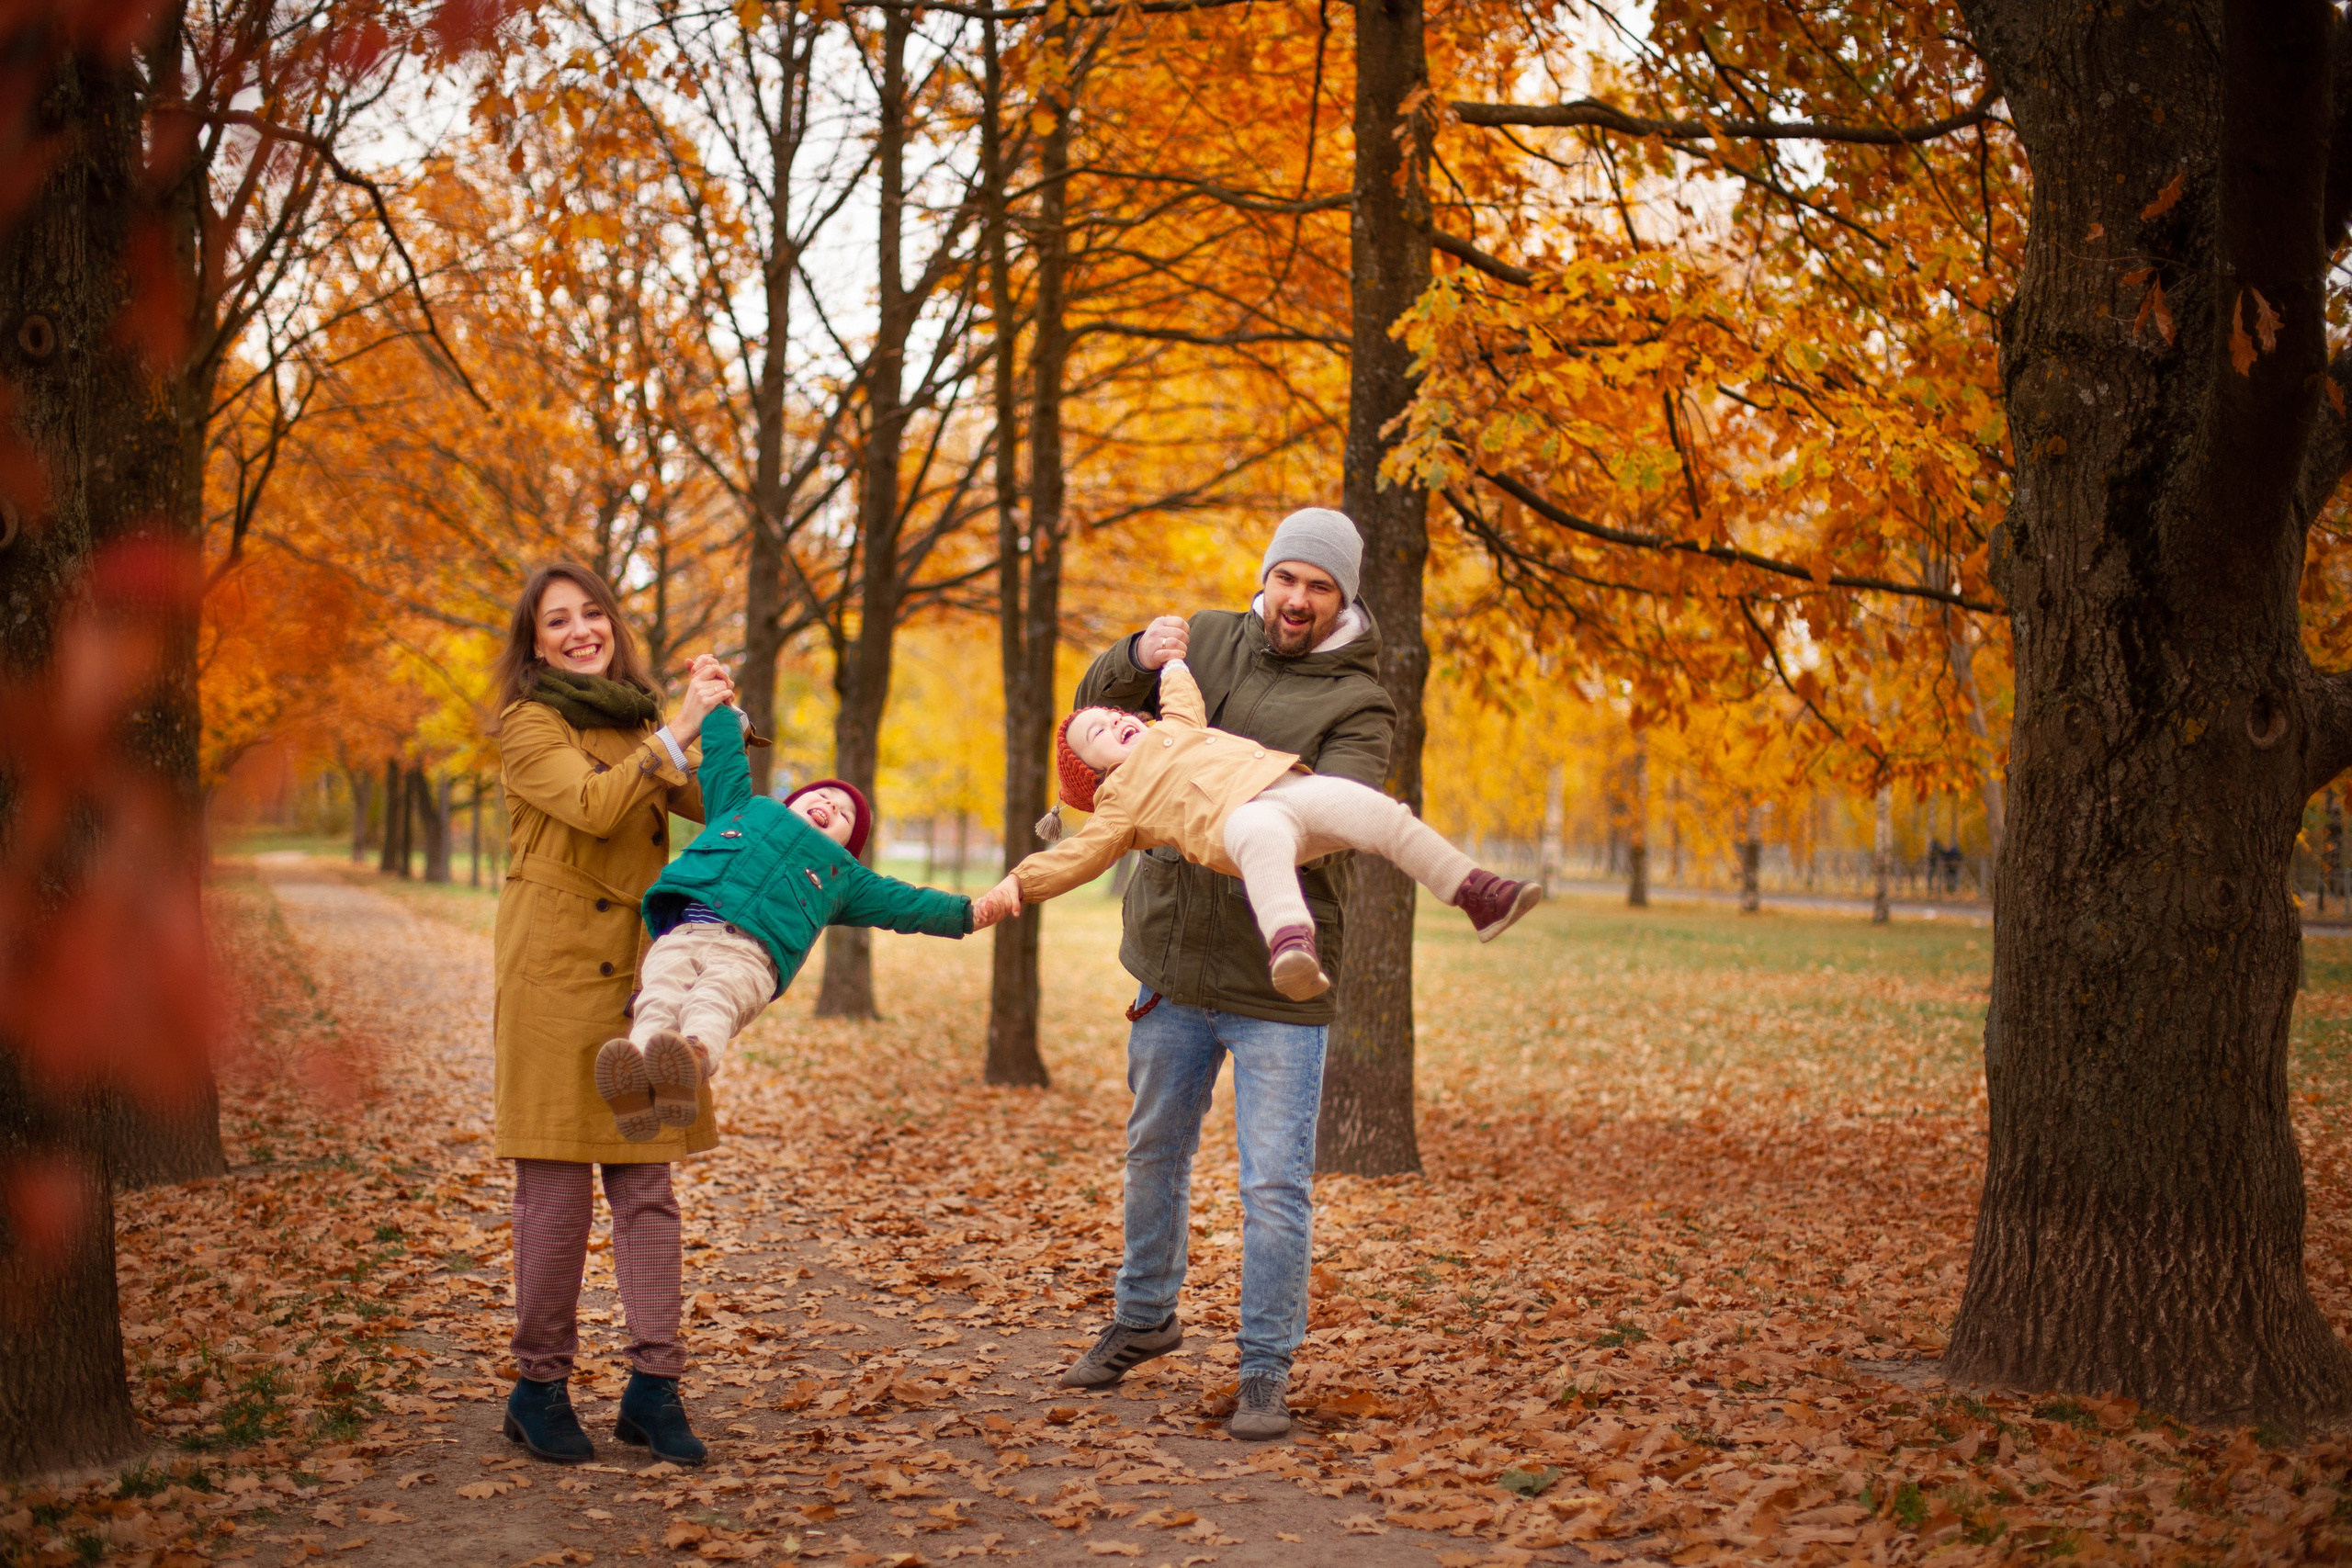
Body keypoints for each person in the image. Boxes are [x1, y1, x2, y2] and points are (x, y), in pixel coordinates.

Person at [1039, 508, 1395, 1440]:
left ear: (1343, 600)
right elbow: (1091, 719)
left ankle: (1265, 1366)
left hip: (1277, 978)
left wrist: (1225, 803)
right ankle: (1143, 1316)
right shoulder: (1204, 638)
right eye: (1287, 578)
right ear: (1265, 578)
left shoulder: (1360, 703)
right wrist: (1134, 654)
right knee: (1153, 1153)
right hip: (1170, 957)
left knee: (1274, 1186)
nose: (1297, 599)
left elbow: (1336, 817)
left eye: (1319, 587)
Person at [491, 560, 732, 1469]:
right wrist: (675, 731)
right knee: (555, 1197)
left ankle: (654, 1387)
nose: (581, 630)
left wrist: (719, 720)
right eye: (558, 620)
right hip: (552, 982)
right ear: (536, 641)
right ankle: (538, 1387)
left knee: (647, 1189)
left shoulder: (641, 724)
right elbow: (592, 806)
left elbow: (717, 804)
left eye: (593, 613)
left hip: (641, 981)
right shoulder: (529, 723)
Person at [974, 658, 1541, 998]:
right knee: (1260, 833)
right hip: (1237, 824)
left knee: (1379, 813)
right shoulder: (1119, 803)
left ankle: (1477, 893)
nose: (1117, 719)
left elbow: (1182, 699)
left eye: (1116, 713)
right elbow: (1077, 856)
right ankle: (1291, 947)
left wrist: (1172, 664)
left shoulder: (1176, 728)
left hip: (1290, 786)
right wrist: (1018, 884)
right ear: (1095, 773)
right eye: (1098, 731)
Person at [595, 705, 1002, 1139]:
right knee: (659, 996)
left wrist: (965, 914)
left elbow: (904, 903)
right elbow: (725, 759)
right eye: (823, 795)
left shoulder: (844, 877)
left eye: (845, 815)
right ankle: (636, 1079)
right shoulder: (741, 809)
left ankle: (691, 1061)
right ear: (791, 801)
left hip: (749, 957)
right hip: (685, 935)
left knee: (714, 1000)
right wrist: (721, 710)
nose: (831, 804)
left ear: (847, 846)